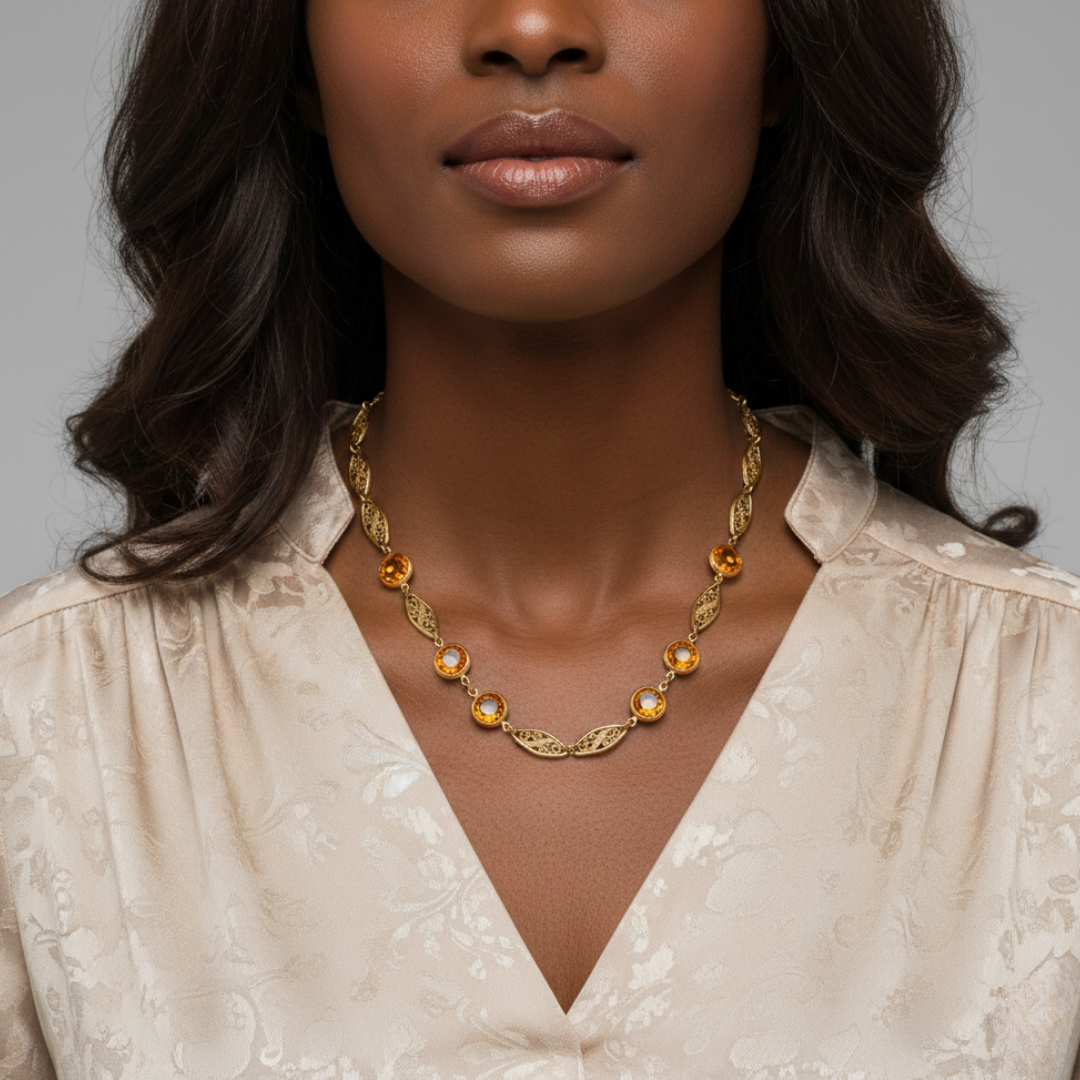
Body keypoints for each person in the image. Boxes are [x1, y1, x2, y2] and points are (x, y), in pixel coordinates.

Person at [2, 0, 1079, 1073]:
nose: (529, 26)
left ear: (785, 55)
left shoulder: (1049, 717)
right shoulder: (42, 725)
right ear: (296, 62)